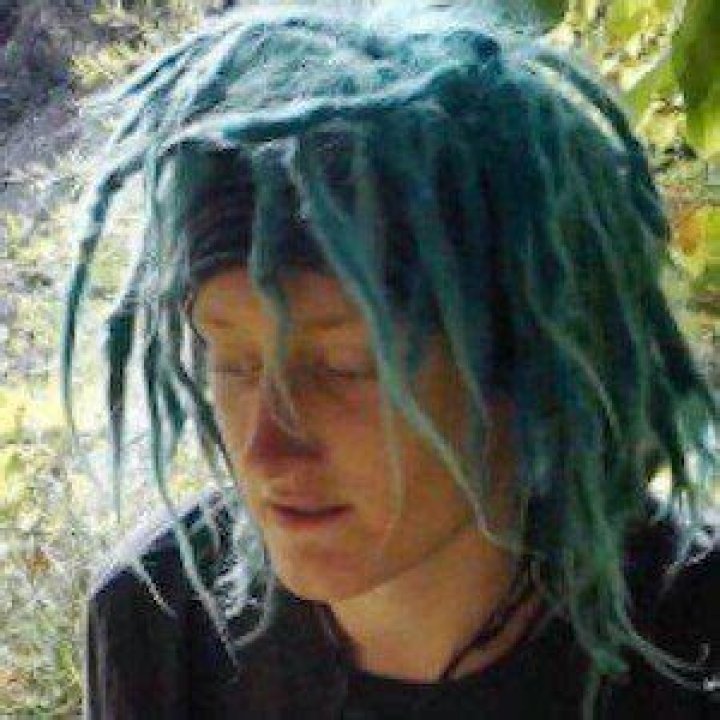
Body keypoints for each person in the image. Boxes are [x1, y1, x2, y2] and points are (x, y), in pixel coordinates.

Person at [62, 1, 719, 718]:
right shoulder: (158, 623)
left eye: (345, 367)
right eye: (234, 362)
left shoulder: (694, 634)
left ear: (527, 362)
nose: (264, 448)